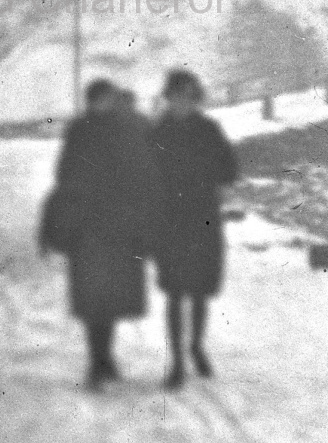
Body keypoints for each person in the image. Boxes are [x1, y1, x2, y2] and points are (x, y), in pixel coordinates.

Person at [37, 78, 161, 391]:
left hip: (104, 225)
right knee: (100, 296)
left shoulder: (92, 129)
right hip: (102, 225)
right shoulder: (124, 127)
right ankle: (99, 362)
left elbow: (65, 174)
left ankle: (102, 360)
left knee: (103, 296)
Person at [150, 69, 238, 387]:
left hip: (203, 219)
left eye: (189, 97)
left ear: (195, 99)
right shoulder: (158, 133)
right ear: (169, 98)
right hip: (171, 222)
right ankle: (176, 363)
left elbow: (229, 166)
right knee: (175, 292)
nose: (183, 102)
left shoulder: (209, 130)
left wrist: (222, 182)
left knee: (200, 290)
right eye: (177, 96)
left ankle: (196, 347)